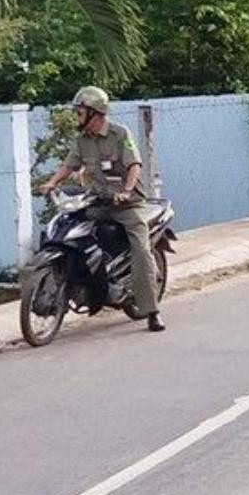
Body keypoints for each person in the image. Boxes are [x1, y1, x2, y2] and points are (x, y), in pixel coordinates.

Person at [40, 87, 165, 332]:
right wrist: (52, 183)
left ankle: (152, 310)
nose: (77, 117)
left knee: (141, 249)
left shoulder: (120, 134)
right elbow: (69, 165)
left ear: (95, 113)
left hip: (127, 204)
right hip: (96, 202)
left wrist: (127, 190)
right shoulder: (81, 140)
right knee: (69, 231)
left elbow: (134, 166)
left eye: (80, 112)